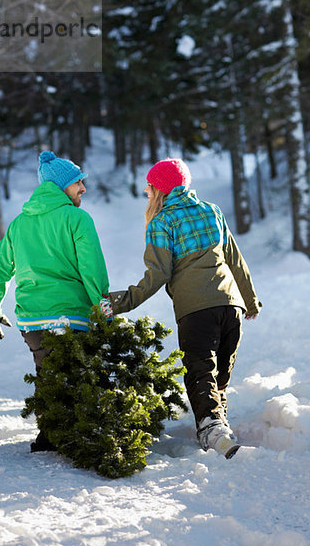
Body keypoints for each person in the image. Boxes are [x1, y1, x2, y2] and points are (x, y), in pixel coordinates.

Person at [100, 158, 261, 459]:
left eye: (149, 189)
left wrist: (118, 303)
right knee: (218, 377)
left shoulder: (162, 221)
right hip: (231, 307)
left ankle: (214, 433)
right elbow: (235, 259)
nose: (147, 194)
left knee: (201, 372)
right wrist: (250, 302)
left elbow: (157, 276)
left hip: (196, 310)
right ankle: (219, 429)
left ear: (159, 191)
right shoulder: (212, 211)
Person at [0, 150, 109, 451]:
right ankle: (75, 434)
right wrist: (103, 311)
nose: (83, 189)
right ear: (62, 186)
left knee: (48, 371)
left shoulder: (18, 224)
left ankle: (51, 432)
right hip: (72, 315)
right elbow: (92, 271)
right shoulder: (77, 218)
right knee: (79, 376)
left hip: (34, 321)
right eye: (78, 183)